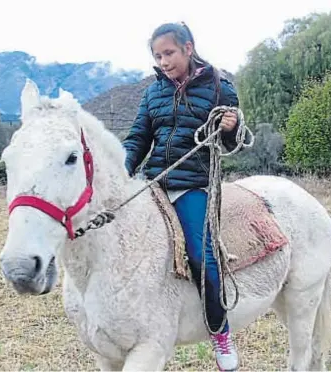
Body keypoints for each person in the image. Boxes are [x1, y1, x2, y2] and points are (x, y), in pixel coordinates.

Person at [122, 22, 245, 371]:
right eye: (157, 56)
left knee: (199, 254)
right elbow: (137, 139)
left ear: (188, 48)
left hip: (193, 185)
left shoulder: (221, 88)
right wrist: (121, 169)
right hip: (154, 183)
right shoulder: (152, 93)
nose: (163, 61)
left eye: (169, 53)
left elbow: (229, 146)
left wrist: (232, 129)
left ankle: (220, 333)